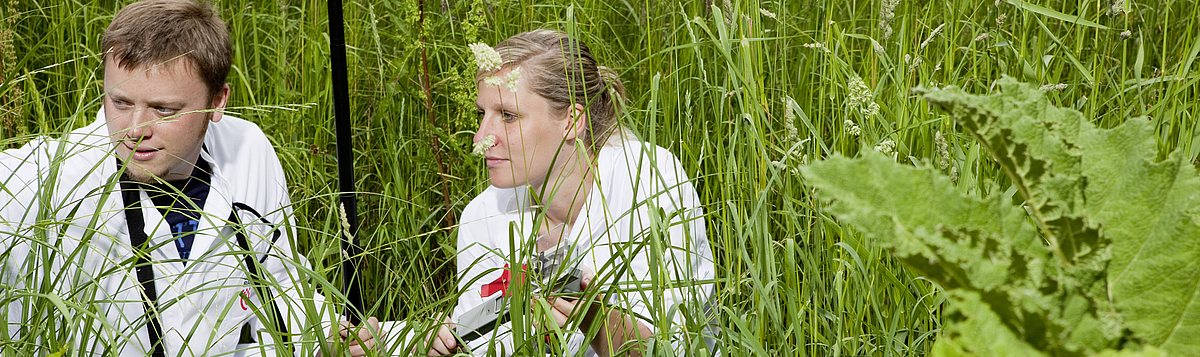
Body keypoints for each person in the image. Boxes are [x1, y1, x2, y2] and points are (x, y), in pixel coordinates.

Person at [0, 1, 380, 356]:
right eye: (120, 102)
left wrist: (357, 337)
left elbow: (277, 292)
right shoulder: (46, 176)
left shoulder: (248, 150)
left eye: (164, 109)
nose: (134, 129)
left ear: (217, 101)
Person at [423, 30, 716, 356]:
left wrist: (594, 317)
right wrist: (417, 341)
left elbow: (676, 348)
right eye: (482, 114)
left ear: (571, 120)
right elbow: (483, 343)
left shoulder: (647, 181)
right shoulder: (484, 214)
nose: (482, 138)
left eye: (508, 116)